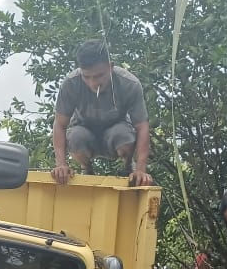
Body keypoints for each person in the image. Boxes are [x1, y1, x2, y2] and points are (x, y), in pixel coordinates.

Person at [51, 39, 153, 187]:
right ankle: (86, 168)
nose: (93, 83)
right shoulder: (71, 83)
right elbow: (60, 125)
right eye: (87, 77)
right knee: (76, 137)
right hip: (83, 131)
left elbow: (142, 126)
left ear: (111, 67)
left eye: (99, 76)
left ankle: (128, 168)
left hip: (116, 133)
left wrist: (141, 170)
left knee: (123, 134)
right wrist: (61, 164)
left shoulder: (129, 84)